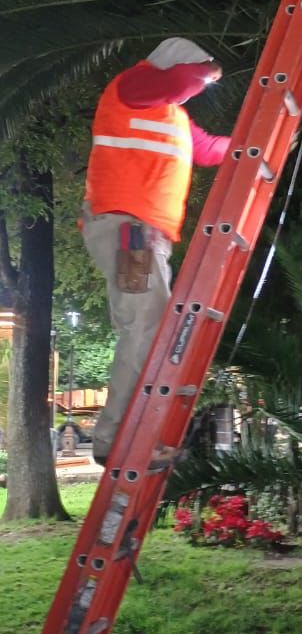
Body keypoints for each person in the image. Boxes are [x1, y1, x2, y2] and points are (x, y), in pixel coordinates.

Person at [81, 38, 230, 465]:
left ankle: (132, 435)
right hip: (128, 228)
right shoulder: (133, 87)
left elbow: (210, 150)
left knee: (149, 326)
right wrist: (210, 70)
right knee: (146, 327)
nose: (201, 84)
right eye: (198, 73)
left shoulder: (174, 116)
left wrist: (260, 145)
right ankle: (114, 441)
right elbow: (180, 79)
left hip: (145, 234)